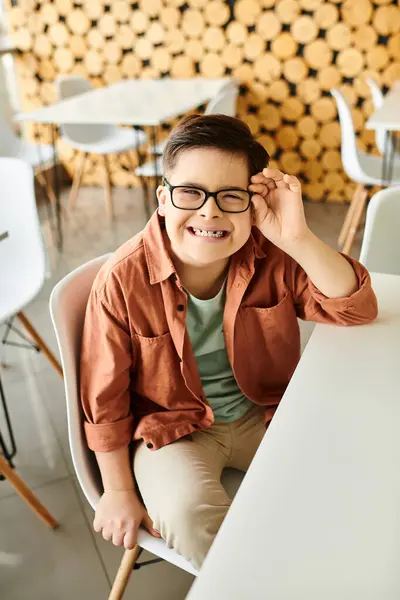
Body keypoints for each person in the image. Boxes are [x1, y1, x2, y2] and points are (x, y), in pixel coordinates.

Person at [80, 114, 378, 570]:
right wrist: (119, 490)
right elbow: (105, 401)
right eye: (190, 193)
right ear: (163, 199)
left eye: (231, 197)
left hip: (266, 413)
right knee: (187, 513)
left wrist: (296, 237)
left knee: (352, 475)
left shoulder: (271, 254)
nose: (209, 211)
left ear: (253, 205)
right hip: (173, 430)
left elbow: (353, 307)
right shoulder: (121, 281)